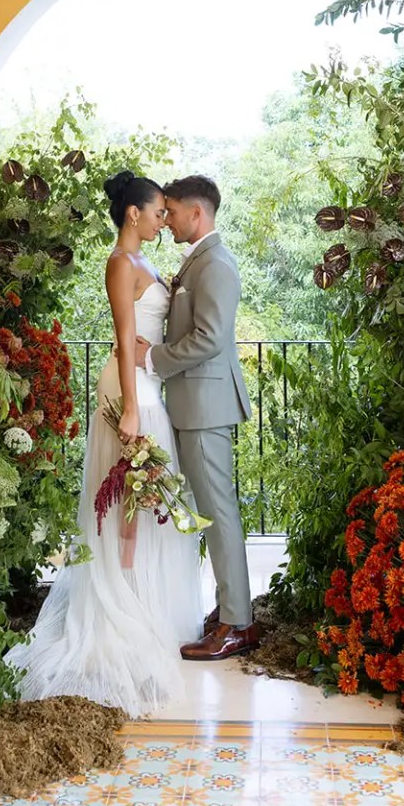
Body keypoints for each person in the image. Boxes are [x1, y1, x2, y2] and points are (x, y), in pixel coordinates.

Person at [4, 171, 202, 715]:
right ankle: (124, 602)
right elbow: (121, 336)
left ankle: (144, 601)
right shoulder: (121, 262)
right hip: (130, 388)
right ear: (133, 215)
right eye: (158, 211)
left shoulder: (145, 263)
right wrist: (133, 407)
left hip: (149, 382)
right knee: (128, 496)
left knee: (146, 494)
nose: (165, 218)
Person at [135, 175, 259, 661]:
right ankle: (231, 610)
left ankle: (237, 625)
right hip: (194, 405)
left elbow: (208, 338)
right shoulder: (199, 262)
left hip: (207, 409)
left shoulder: (217, 265)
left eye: (171, 212)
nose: (165, 221)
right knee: (212, 512)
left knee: (219, 513)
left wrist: (154, 359)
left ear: (196, 214)